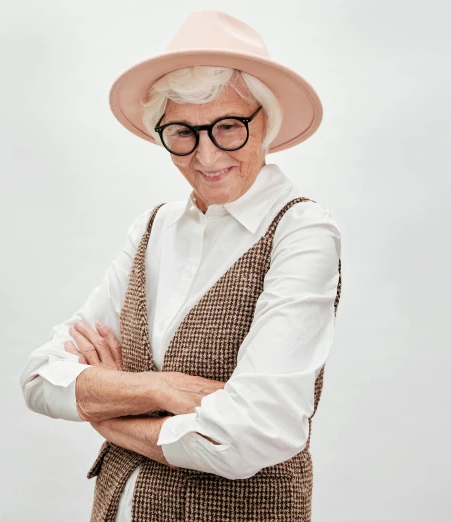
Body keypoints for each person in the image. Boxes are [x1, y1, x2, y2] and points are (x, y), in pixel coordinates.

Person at [19, 9, 342, 522]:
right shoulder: (153, 229)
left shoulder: (301, 231)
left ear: (267, 119)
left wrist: (106, 410)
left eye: (229, 127)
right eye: (183, 133)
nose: (207, 156)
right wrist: (158, 389)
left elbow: (252, 435)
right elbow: (40, 378)